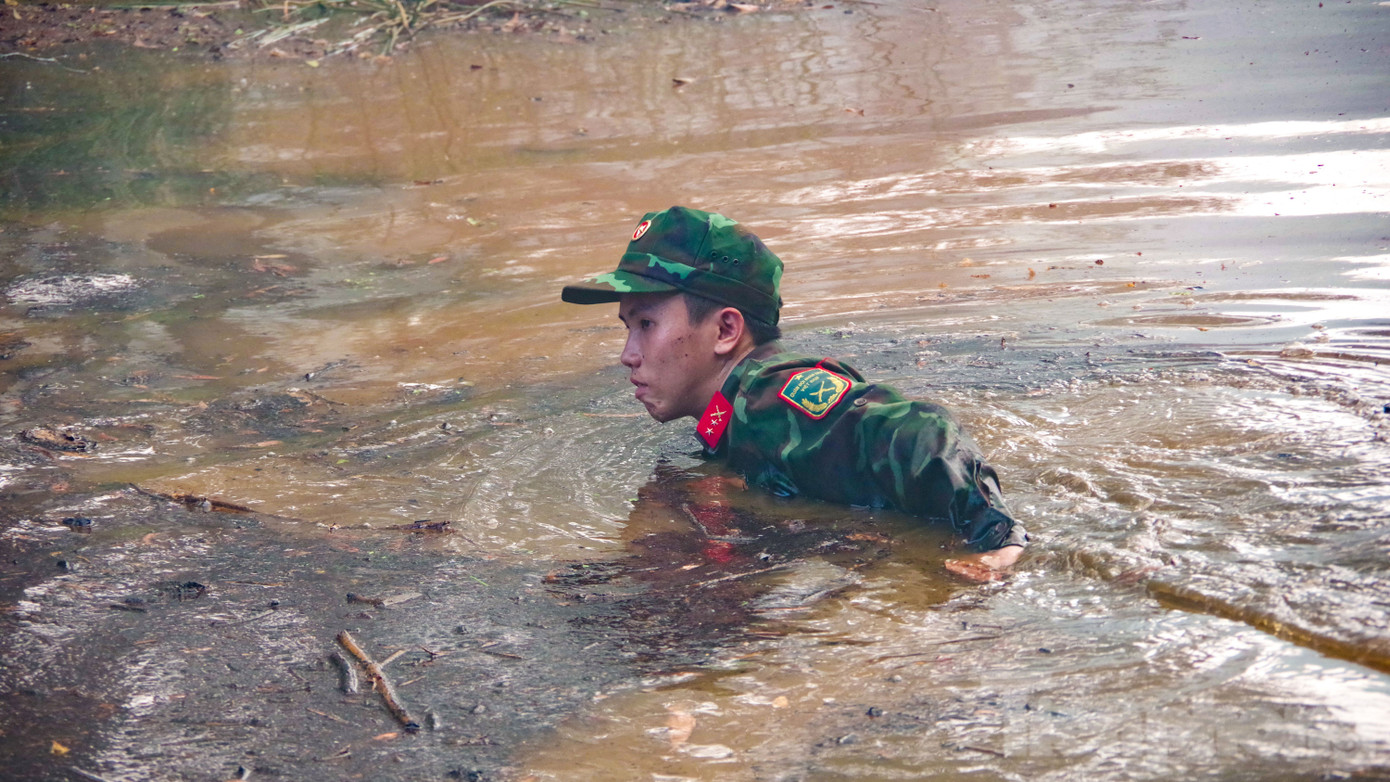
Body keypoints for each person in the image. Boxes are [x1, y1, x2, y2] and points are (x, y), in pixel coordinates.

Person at [561, 206, 1027, 580]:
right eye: (628, 327)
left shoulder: (768, 394)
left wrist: (996, 536)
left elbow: (921, 428)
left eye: (646, 324)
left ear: (726, 330)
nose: (628, 355)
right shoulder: (731, 412)